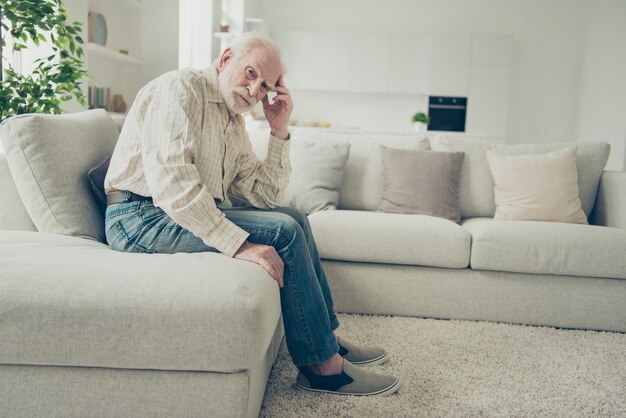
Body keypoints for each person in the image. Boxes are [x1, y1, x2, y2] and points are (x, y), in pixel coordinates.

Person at [103, 32, 399, 396]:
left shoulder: (232, 120)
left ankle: (327, 341)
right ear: (225, 59)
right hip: (139, 218)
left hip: (170, 214)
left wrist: (278, 130)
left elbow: (265, 195)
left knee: (296, 219)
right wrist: (239, 245)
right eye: (251, 73)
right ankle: (323, 370)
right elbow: (172, 182)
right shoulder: (181, 89)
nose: (256, 89)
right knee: (283, 232)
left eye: (266, 86)